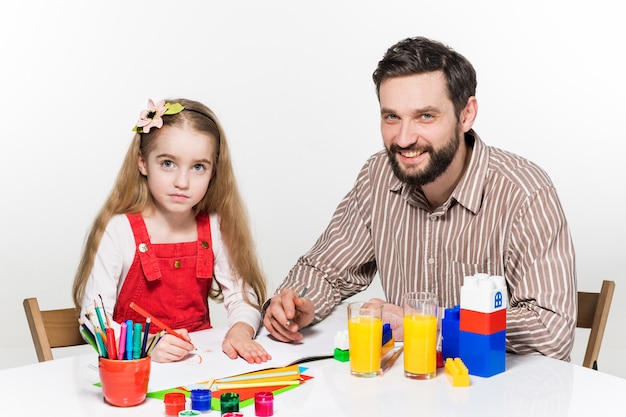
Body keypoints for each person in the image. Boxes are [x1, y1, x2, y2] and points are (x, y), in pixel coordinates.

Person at [263, 36, 577, 360]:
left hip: (496, 394)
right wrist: (296, 304)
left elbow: (550, 331)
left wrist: (427, 323)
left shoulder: (524, 192)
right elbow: (326, 270)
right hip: (408, 389)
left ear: (466, 115)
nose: (403, 138)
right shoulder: (378, 177)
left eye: (425, 116)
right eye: (391, 117)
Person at [72, 98, 271, 364]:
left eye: (198, 167)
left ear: (214, 172)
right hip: (135, 372)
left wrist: (240, 330)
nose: (182, 182)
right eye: (168, 163)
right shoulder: (119, 230)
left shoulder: (214, 225)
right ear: (142, 163)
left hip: (198, 366)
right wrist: (147, 347)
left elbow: (242, 297)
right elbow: (93, 321)